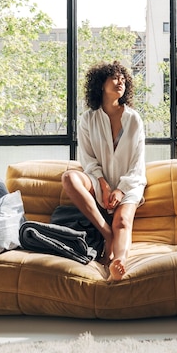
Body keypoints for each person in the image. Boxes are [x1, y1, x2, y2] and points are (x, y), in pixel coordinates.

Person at [61, 61, 147, 281]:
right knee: (69, 177)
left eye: (123, 79)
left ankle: (119, 262)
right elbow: (87, 159)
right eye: (115, 78)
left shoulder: (134, 119)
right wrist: (102, 182)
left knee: (122, 221)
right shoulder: (88, 119)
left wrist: (120, 189)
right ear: (101, 84)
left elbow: (138, 163)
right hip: (97, 181)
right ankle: (105, 233)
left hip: (129, 183)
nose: (121, 83)